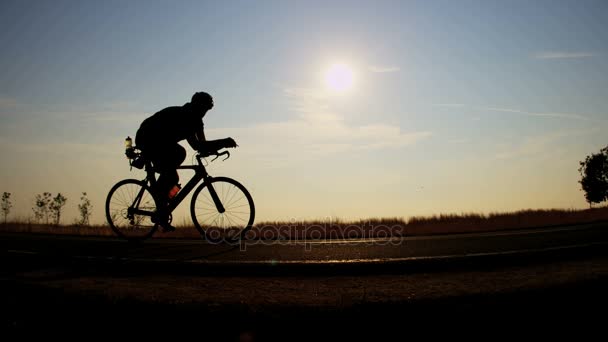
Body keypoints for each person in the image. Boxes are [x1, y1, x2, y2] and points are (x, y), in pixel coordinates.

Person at [135, 92, 237, 232]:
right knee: (174, 169)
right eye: (204, 109)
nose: (205, 112)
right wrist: (223, 142)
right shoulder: (186, 116)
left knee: (173, 172)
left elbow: (203, 144)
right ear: (197, 105)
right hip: (147, 138)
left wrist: (216, 147)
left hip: (162, 141)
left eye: (207, 110)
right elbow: (198, 146)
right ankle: (159, 200)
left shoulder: (197, 120)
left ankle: (162, 204)